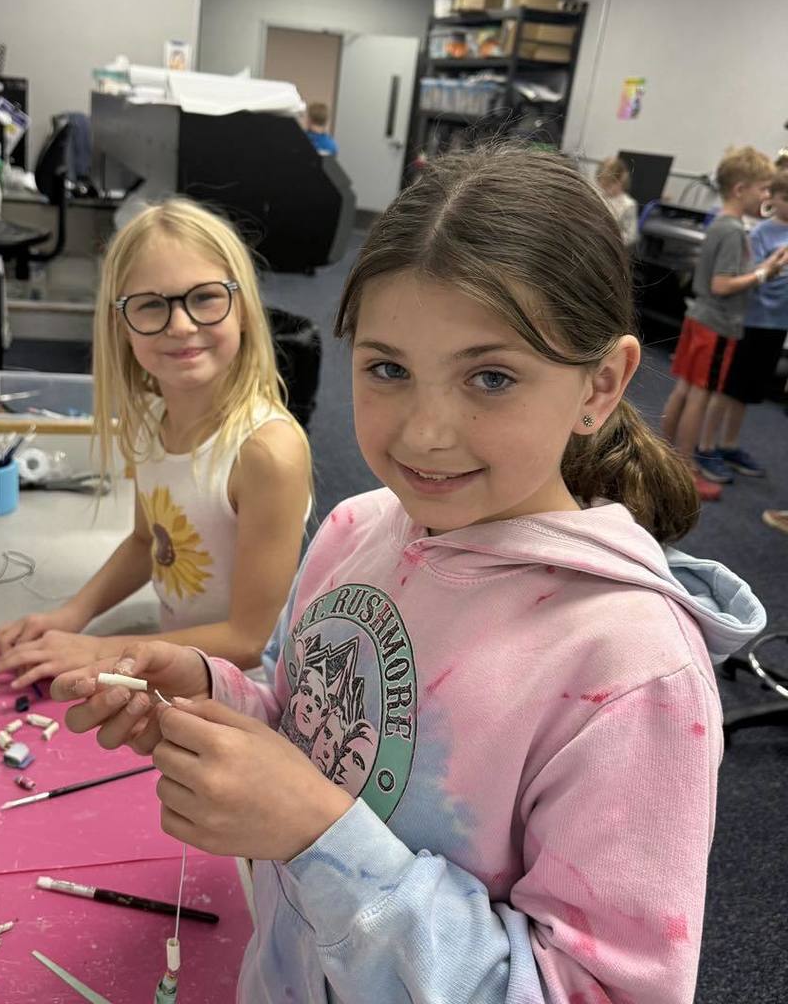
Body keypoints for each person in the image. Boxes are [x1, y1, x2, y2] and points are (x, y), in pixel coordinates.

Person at [52, 147, 766, 1004]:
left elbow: (598, 991)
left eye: (491, 377)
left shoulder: (631, 674)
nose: (425, 432)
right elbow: (307, 727)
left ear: (601, 385)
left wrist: (317, 836)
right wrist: (209, 693)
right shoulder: (356, 530)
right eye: (387, 368)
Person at [0, 198, 312, 685]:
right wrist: (73, 616)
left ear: (243, 309)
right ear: (122, 326)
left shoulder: (266, 453)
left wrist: (95, 650)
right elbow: (148, 541)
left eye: (205, 297)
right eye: (151, 305)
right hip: (166, 663)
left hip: (243, 692)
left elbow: (250, 639)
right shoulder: (149, 422)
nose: (181, 324)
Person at [660, 146, 788, 499]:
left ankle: (665, 458)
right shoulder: (732, 230)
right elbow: (722, 284)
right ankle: (685, 469)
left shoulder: (721, 222)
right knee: (699, 396)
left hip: (700, 319)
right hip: (716, 326)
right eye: (763, 189)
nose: (766, 196)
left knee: (685, 391)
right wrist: (765, 273)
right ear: (740, 189)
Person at [710, 168, 788, 478]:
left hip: (777, 324)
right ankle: (707, 445)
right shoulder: (760, 234)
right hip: (753, 320)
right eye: (785, 198)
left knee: (747, 392)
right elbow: (747, 274)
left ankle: (728, 445)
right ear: (774, 200)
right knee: (729, 388)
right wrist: (768, 269)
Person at [595, 156, 638, 247]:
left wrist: (611, 238)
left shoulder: (628, 205)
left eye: (609, 185)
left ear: (621, 180)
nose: (605, 189)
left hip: (611, 246)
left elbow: (631, 236)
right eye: (603, 185)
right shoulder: (598, 197)